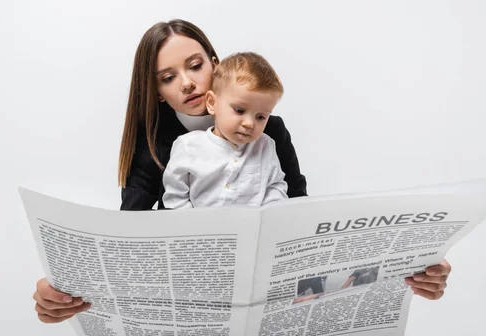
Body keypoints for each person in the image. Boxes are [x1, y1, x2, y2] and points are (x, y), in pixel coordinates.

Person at [31, 19, 452, 323]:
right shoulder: (157, 144)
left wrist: (413, 268)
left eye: (195, 65)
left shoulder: (269, 131)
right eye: (168, 77)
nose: (188, 83)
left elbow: (297, 207)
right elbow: (129, 230)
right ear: (156, 92)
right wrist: (65, 290)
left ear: (217, 64)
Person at [163, 52, 290, 208]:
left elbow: (274, 186)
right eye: (239, 110)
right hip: (202, 229)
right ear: (212, 103)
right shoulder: (188, 146)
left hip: (250, 228)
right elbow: (175, 196)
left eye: (261, 117)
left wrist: (271, 213)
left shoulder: (265, 146)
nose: (249, 123)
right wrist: (192, 226)